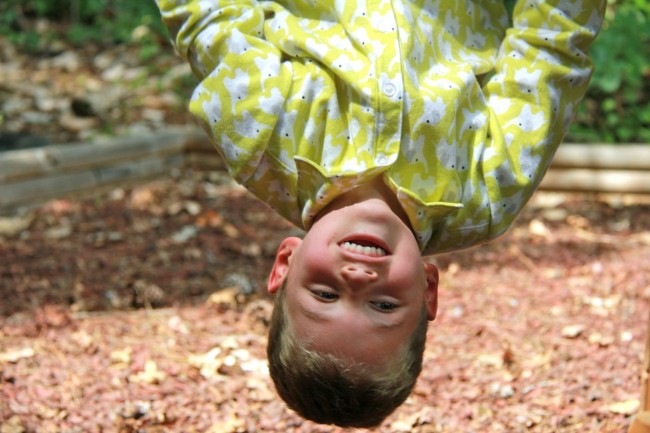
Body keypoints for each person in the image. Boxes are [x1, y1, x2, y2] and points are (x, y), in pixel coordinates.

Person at [156, 0, 605, 427]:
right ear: (427, 290)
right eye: (384, 305)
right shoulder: (487, 193)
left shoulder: (261, 144)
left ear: (285, 265)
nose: (357, 279)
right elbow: (551, 46)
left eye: (325, 294)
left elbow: (211, 16)